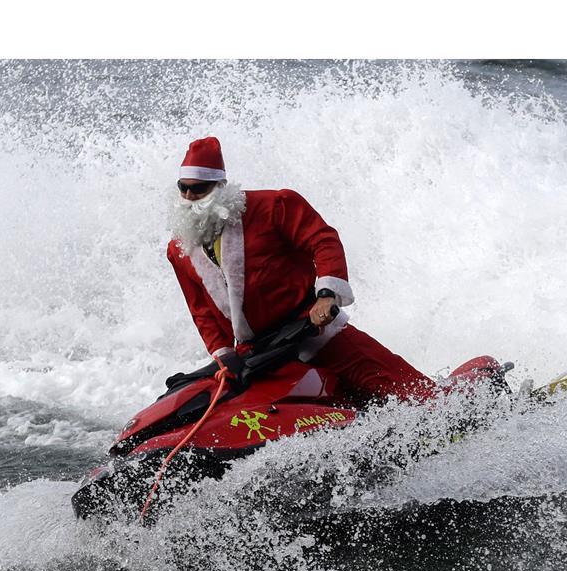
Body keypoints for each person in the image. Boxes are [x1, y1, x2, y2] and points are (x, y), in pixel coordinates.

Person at [166, 135, 438, 404]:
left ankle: (445, 407)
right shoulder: (180, 250)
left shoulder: (274, 206)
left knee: (407, 391)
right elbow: (201, 310)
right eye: (184, 188)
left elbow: (322, 240)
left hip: (313, 330)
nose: (190, 196)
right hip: (258, 355)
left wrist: (327, 295)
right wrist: (223, 355)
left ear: (220, 187)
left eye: (199, 188)